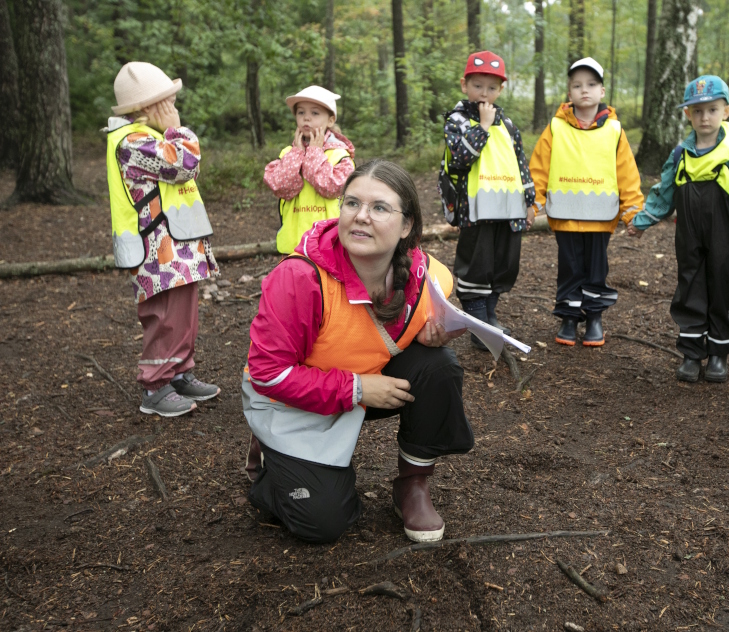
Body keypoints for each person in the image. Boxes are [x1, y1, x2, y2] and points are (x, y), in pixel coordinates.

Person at [242, 160, 474, 544]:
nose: (361, 217)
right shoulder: (300, 278)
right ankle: (272, 460)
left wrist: (431, 337)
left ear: (407, 226)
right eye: (352, 203)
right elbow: (268, 374)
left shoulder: (425, 275)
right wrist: (358, 389)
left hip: (361, 382)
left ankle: (412, 483)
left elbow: (390, 331)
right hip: (292, 399)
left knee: (438, 367)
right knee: (324, 522)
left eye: (379, 208)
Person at [630, 75, 729, 382]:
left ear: (726, 112)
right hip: (689, 233)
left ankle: (719, 353)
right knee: (690, 284)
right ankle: (692, 353)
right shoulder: (681, 155)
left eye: (712, 110)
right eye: (698, 111)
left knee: (724, 284)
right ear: (687, 114)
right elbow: (664, 191)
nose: (705, 117)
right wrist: (642, 222)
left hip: (726, 233)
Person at [104, 62, 221, 417]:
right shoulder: (132, 142)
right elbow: (185, 163)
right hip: (156, 249)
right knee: (165, 314)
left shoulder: (152, 137)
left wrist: (169, 130)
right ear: (146, 109)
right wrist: (176, 129)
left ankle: (179, 373)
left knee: (184, 312)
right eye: (168, 103)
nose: (174, 109)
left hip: (179, 245)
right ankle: (155, 384)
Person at [529, 57, 645, 346]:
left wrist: (633, 213)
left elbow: (627, 175)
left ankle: (594, 317)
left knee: (596, 269)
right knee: (569, 267)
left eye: (591, 84)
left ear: (602, 91)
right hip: (566, 216)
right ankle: (569, 318)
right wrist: (532, 205)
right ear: (569, 93)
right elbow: (539, 168)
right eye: (577, 85)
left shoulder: (615, 131)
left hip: (601, 217)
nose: (585, 90)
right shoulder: (556, 128)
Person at [438, 51, 535, 350]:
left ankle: (490, 315)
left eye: (491, 88)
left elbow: (520, 163)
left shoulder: (507, 123)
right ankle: (480, 323)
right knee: (476, 265)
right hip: (475, 211)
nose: (484, 93)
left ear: (501, 90)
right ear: (464, 85)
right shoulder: (456, 120)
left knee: (505, 265)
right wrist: (481, 127)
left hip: (508, 209)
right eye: (478, 85)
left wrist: (529, 200)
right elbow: (460, 160)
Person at [264, 86, 355, 254]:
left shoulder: (340, 156)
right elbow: (281, 187)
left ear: (330, 120)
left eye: (315, 113)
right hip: (294, 246)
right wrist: (297, 154)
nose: (306, 118)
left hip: (329, 246)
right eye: (301, 113)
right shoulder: (288, 153)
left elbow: (330, 187)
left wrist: (314, 152)